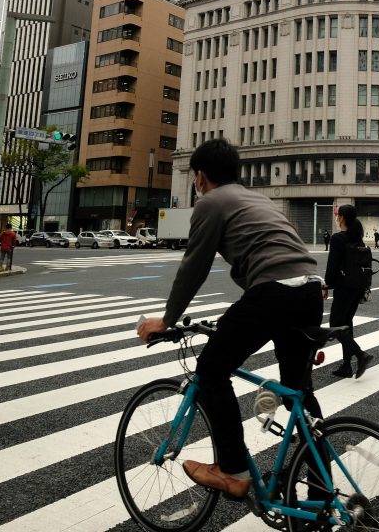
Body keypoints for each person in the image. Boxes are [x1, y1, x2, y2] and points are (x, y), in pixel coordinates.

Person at [137, 139, 325, 499]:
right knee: (297, 393)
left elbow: (194, 266)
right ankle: (320, 493)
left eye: (195, 177)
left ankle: (233, 470)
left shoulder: (211, 201)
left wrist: (167, 319)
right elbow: (270, 258)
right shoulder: (257, 198)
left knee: (210, 370)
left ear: (201, 177)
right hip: (310, 288)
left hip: (274, 293)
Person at [324, 204, 375, 379]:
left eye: (338, 215)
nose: (337, 218)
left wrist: (326, 285)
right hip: (358, 288)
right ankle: (346, 366)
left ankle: (361, 355)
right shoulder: (357, 238)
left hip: (344, 287)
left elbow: (332, 265)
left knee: (335, 325)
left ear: (343, 218)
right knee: (346, 324)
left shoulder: (338, 239)